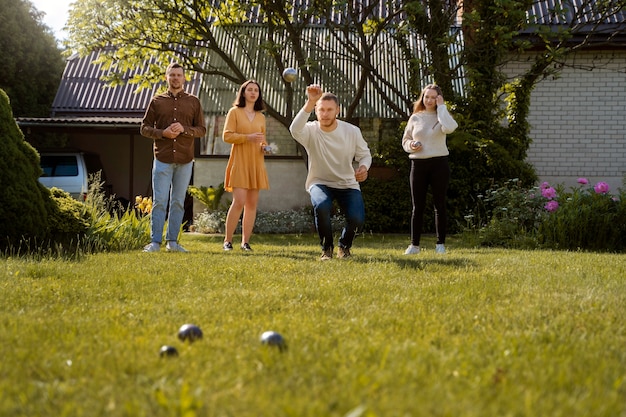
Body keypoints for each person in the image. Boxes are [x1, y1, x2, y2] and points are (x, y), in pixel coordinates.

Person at [290, 85, 372, 260]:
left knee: (357, 219)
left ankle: (344, 247)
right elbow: (294, 129)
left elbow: (365, 155)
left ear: (338, 110)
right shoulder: (310, 130)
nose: (325, 114)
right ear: (316, 111)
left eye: (329, 110)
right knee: (322, 206)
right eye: (321, 109)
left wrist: (364, 167)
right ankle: (326, 249)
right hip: (319, 182)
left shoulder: (352, 131)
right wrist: (310, 101)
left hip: (347, 183)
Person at [140, 62, 206, 253]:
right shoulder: (156, 101)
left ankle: (173, 243)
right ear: (166, 78)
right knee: (160, 201)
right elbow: (144, 128)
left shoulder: (194, 102)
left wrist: (184, 129)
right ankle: (155, 242)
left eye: (179, 75)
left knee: (178, 201)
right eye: (172, 75)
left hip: (185, 160)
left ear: (184, 78)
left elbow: (201, 129)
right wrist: (163, 133)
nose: (175, 78)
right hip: (162, 159)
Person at [402, 84, 458, 255]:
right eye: (427, 96)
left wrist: (442, 107)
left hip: (439, 164)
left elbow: (450, 128)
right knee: (417, 206)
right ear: (422, 97)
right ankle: (414, 245)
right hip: (418, 165)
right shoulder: (415, 117)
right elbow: (405, 140)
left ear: (438, 98)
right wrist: (412, 145)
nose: (429, 100)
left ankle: (440, 244)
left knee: (439, 205)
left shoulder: (442, 116)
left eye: (434, 97)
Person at [222, 80, 270, 251]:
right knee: (239, 201)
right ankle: (227, 241)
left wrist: (265, 148)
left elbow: (262, 139)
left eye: (256, 90)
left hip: (256, 162)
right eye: (249, 90)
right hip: (240, 161)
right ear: (243, 93)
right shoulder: (234, 112)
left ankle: (245, 243)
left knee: (251, 204)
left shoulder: (261, 117)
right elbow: (227, 136)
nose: (253, 93)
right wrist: (247, 137)